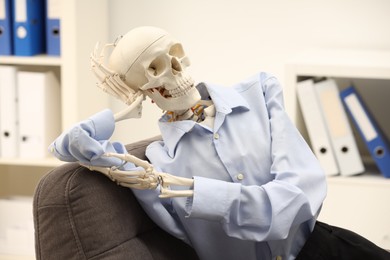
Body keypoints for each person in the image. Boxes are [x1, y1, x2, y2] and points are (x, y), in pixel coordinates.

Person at [49, 27, 390, 260]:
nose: (175, 70)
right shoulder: (157, 164)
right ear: (144, 90)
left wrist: (202, 194)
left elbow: (297, 199)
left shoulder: (260, 93)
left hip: (324, 250)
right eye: (153, 71)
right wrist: (122, 111)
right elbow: (67, 145)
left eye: (174, 56)